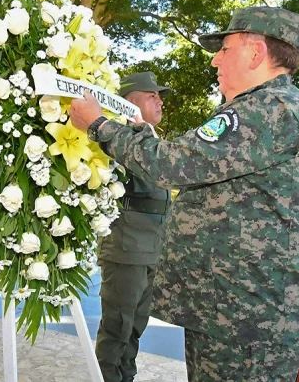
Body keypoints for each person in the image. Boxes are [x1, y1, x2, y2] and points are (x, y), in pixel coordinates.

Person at [70, 7, 299, 381]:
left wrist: (98, 125)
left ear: (256, 52)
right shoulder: (273, 107)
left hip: (247, 321)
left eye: (225, 49)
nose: (215, 60)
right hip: (238, 311)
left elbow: (173, 165)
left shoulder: (268, 109)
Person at [94, 72, 173, 382]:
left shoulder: (149, 140)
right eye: (152, 95)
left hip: (151, 248)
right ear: (129, 102)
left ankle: (125, 377)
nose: (160, 100)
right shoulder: (119, 139)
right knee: (118, 328)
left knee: (136, 326)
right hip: (126, 248)